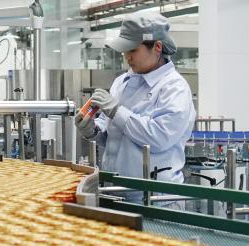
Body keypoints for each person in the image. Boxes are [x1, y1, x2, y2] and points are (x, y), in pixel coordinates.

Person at [74, 12, 196, 185]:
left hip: (154, 194)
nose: (127, 57)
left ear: (157, 47)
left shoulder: (174, 88)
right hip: (113, 188)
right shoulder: (122, 82)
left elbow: (159, 138)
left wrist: (117, 111)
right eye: (125, 51)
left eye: (133, 50)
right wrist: (92, 130)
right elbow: (112, 137)